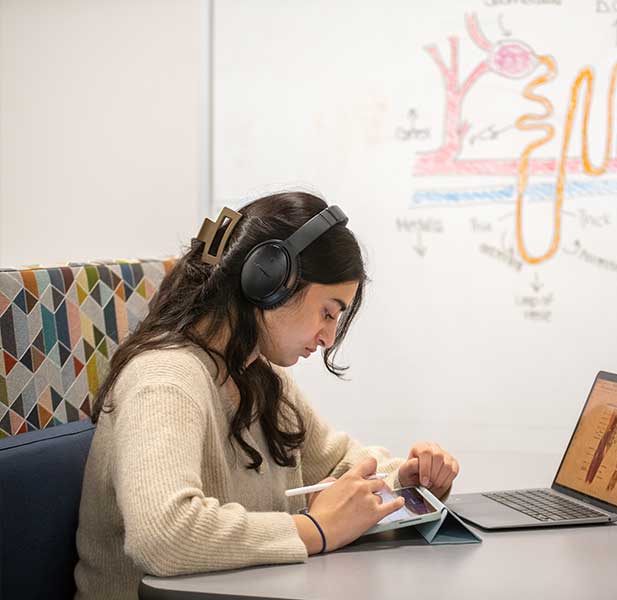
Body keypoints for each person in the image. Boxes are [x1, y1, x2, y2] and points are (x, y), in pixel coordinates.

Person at [73, 191, 459, 600]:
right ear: (270, 281)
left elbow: (340, 462)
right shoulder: (165, 380)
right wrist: (316, 529)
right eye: (328, 312)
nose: (328, 338)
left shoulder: (260, 377)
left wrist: (405, 479)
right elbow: (163, 534)